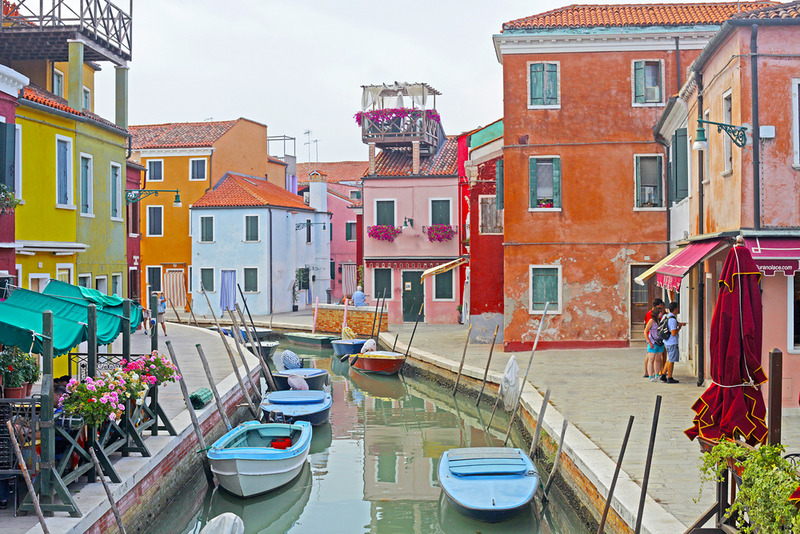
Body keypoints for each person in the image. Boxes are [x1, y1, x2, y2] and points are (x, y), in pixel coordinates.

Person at [661, 301, 685, 383]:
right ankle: (669, 377)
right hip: (672, 342)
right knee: (671, 360)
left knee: (670, 359)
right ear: (675, 309)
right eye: (677, 308)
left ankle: (663, 375)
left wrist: (679, 324)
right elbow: (673, 332)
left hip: (666, 341)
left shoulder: (666, 316)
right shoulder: (673, 319)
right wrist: (679, 328)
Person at [643, 298, 665, 378]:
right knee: (651, 358)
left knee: (657, 358)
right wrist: (649, 341)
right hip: (652, 339)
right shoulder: (651, 319)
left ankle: (656, 374)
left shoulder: (659, 320)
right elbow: (646, 330)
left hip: (659, 341)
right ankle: (649, 374)